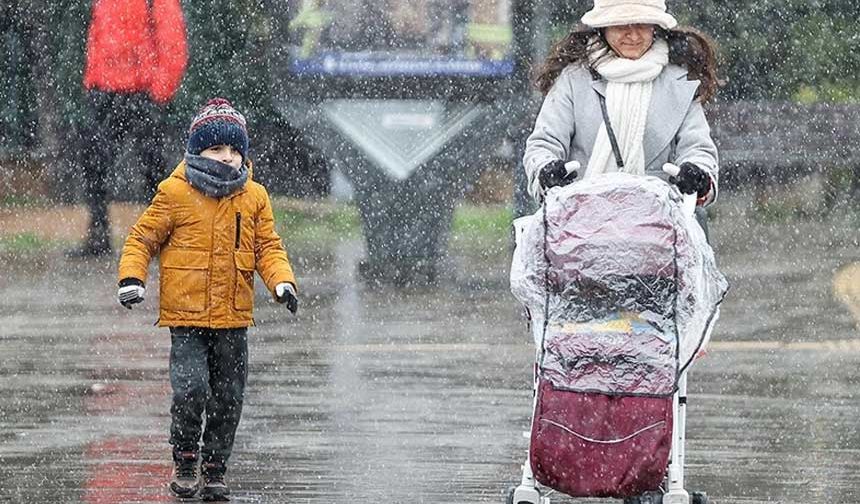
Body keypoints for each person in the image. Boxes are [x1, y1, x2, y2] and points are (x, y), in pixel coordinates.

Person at [116, 98, 299, 501]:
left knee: (229, 396)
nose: (227, 157)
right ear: (196, 149)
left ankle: (215, 467)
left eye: (234, 150)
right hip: (186, 317)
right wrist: (132, 277)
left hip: (234, 317)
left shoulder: (254, 196)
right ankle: (185, 458)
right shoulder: (175, 192)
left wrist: (281, 282)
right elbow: (142, 239)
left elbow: (268, 247)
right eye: (216, 148)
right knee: (190, 389)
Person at [523, 0, 719, 223]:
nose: (633, 35)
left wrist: (698, 176)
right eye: (621, 25)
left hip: (662, 231)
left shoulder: (680, 81)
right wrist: (547, 171)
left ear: (655, 26)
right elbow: (544, 144)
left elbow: (698, 149)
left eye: (642, 25)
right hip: (579, 229)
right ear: (603, 28)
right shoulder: (573, 79)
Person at [71, 0, 187, 257]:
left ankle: (160, 237)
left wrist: (158, 93)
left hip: (141, 91)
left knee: (152, 168)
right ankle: (99, 235)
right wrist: (93, 82)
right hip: (106, 90)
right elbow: (99, 37)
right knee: (94, 163)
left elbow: (172, 41)